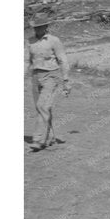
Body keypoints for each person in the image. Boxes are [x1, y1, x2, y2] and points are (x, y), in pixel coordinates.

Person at [27, 17, 71, 151]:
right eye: (35, 27)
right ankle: (50, 137)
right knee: (42, 108)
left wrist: (66, 80)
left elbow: (63, 60)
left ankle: (38, 140)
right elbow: (26, 60)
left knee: (42, 106)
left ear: (46, 26)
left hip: (51, 76)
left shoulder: (54, 41)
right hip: (35, 76)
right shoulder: (30, 41)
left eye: (40, 26)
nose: (37, 29)